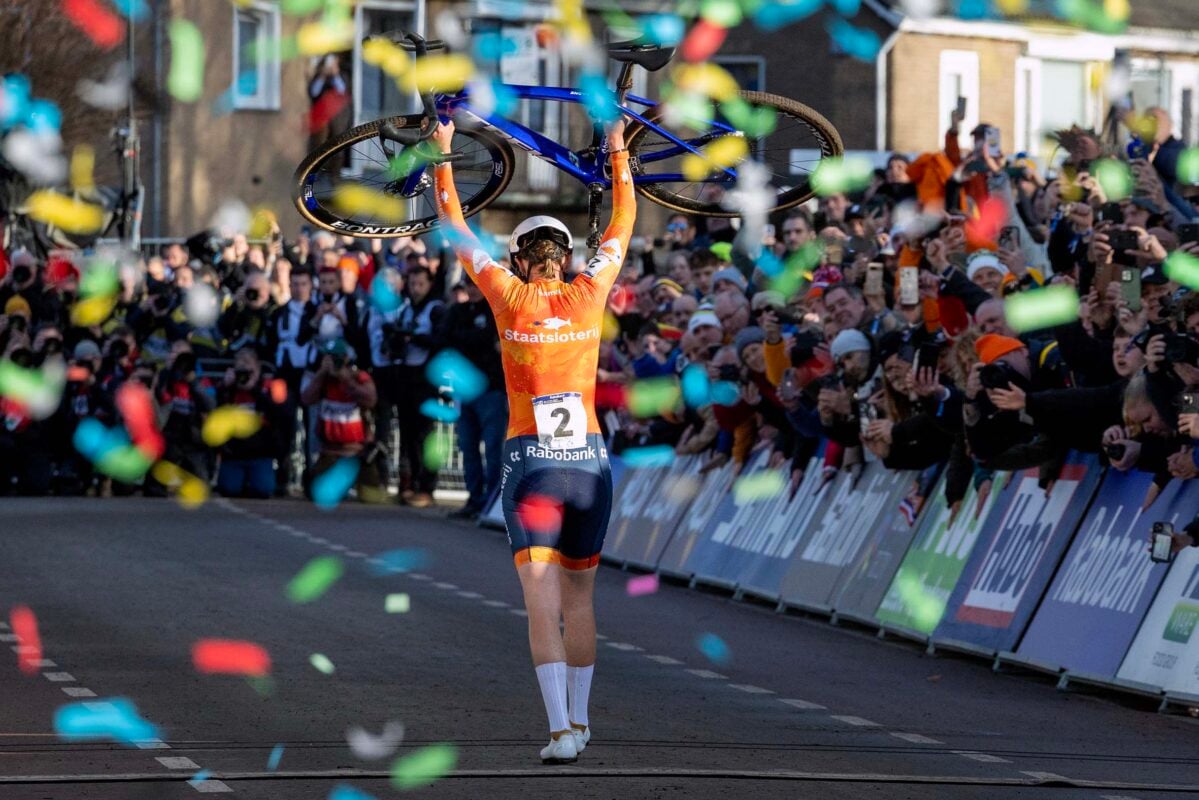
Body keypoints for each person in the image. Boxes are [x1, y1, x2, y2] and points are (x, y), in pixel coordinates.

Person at [432, 116, 634, 764]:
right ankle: (579, 720)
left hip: (531, 465)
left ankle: (558, 733)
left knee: (540, 604)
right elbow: (622, 224)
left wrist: (441, 154)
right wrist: (616, 147)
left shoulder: (509, 295)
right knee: (579, 601)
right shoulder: (589, 291)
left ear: (521, 259)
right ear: (566, 259)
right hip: (589, 466)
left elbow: (458, 230)